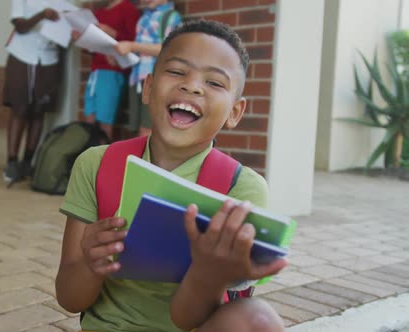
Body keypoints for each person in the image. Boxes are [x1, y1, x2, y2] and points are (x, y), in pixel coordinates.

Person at [56, 20, 288, 331]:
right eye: (177, 72)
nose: (192, 86)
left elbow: (186, 318)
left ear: (234, 112)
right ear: (149, 88)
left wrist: (207, 272)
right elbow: (69, 298)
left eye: (215, 83)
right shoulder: (97, 165)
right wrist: (91, 263)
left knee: (256, 319)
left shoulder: (240, 189)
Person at [2, 0, 63, 184]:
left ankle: (28, 162)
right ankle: (12, 162)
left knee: (39, 111)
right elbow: (20, 26)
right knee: (19, 109)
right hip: (22, 55)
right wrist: (42, 15)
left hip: (49, 58)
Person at [115, 0, 182, 137]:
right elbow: (140, 47)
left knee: (148, 130)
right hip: (137, 78)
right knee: (138, 128)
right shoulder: (144, 18)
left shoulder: (171, 17)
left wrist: (133, 46)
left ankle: (145, 159)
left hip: (155, 80)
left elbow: (170, 48)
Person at [77, 0, 140, 140]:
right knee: (89, 118)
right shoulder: (99, 12)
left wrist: (114, 34)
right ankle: (89, 158)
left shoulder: (127, 9)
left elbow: (135, 42)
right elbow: (94, 48)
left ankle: (103, 159)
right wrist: (81, 40)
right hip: (96, 71)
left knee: (106, 121)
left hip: (113, 72)